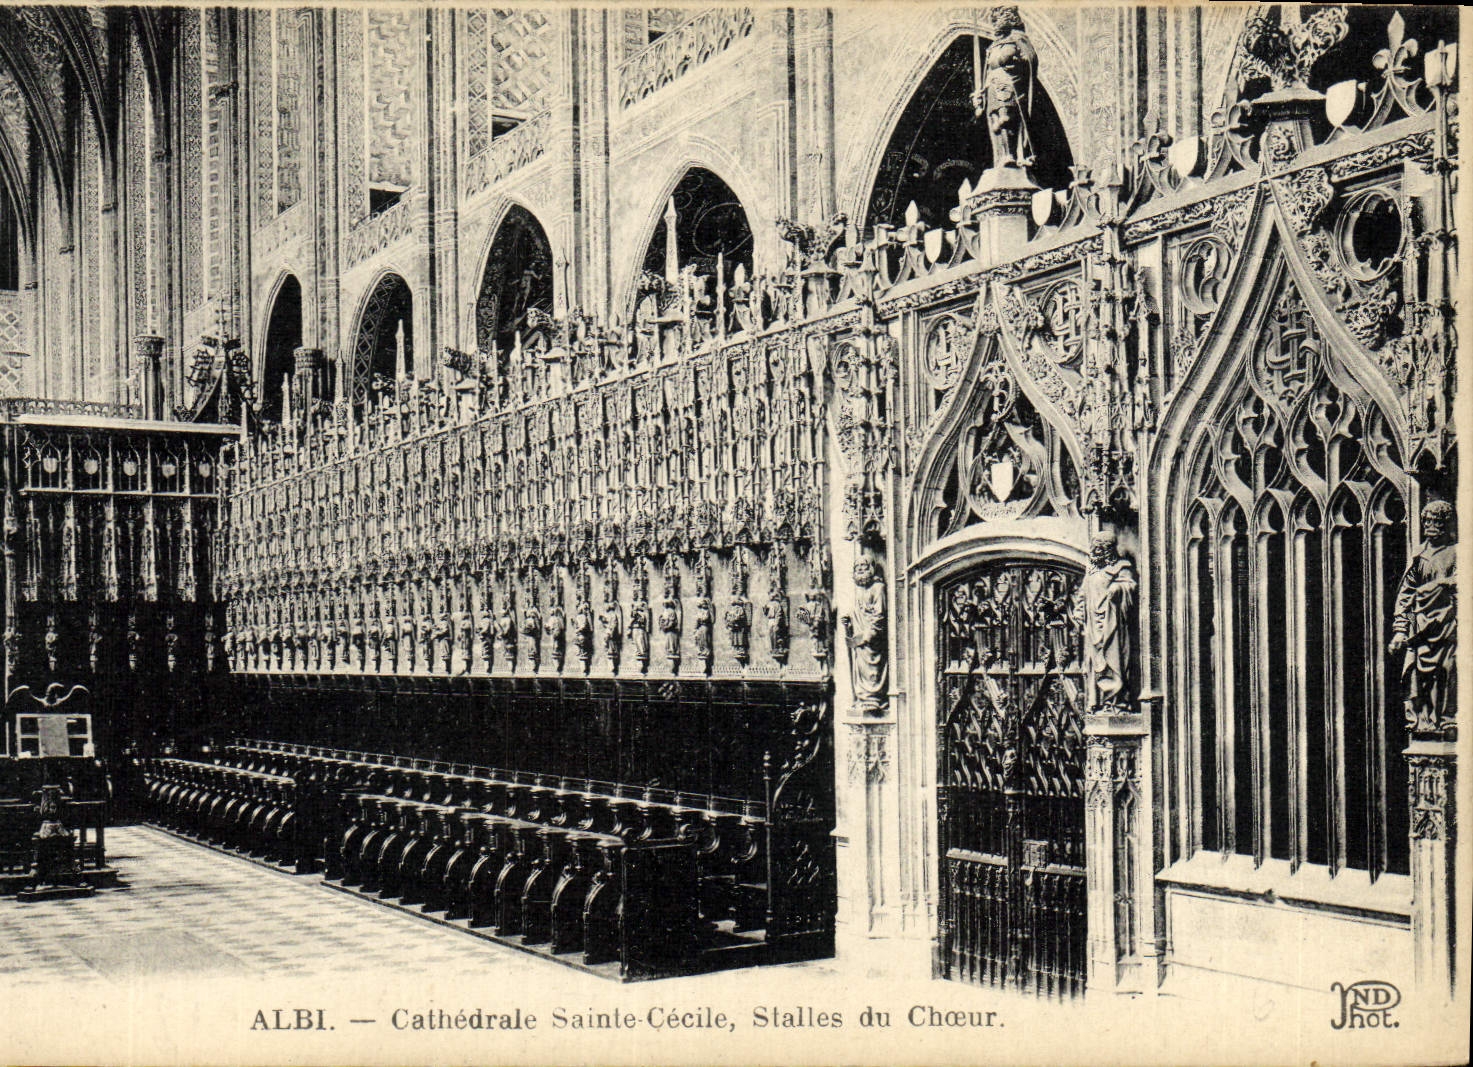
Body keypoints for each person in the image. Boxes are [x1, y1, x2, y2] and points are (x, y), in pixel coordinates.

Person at [1391, 500, 1457, 732]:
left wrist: (1441, 585)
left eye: (1437, 521)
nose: (1430, 525)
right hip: (1421, 627)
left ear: (1447, 523)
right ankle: (1423, 721)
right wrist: (1400, 629)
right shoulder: (1419, 553)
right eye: (1427, 520)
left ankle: (1445, 720)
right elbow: (1406, 591)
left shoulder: (1458, 551)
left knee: (1448, 670)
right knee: (1417, 676)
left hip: (1447, 625)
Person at [1080, 529, 1136, 709]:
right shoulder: (1091, 572)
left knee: (1114, 660)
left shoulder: (1122, 567)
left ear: (1108, 550)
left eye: (1099, 549)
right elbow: (1082, 595)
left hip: (1113, 623)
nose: (1095, 552)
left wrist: (1117, 590)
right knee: (1096, 663)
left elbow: (1130, 586)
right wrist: (1079, 610)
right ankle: (1098, 701)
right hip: (1093, 627)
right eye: (1094, 548)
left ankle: (1116, 701)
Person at [842, 557, 888, 713]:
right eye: (857, 567)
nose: (860, 569)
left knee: (872, 668)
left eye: (863, 566)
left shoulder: (878, 588)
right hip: (860, 639)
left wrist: (869, 635)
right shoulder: (860, 591)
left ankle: (873, 698)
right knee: (860, 667)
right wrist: (848, 619)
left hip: (871, 640)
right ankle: (863, 698)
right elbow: (859, 612)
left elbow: (879, 615)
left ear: (871, 568)